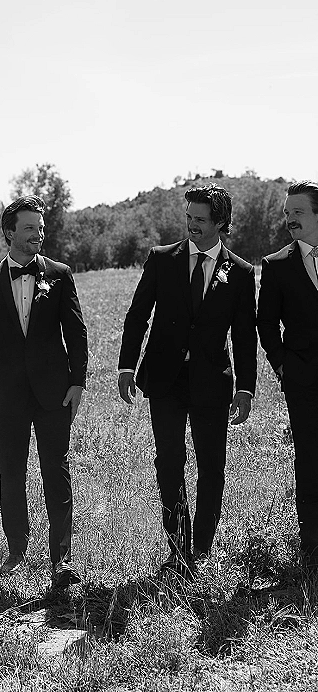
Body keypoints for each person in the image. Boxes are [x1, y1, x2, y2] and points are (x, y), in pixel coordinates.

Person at [117, 184, 257, 576]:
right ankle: (177, 549)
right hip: (165, 380)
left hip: (213, 383)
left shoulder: (242, 273)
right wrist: (127, 366)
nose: (191, 225)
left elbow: (246, 336)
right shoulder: (162, 259)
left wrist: (246, 386)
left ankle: (202, 548)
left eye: (200, 219)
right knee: (170, 463)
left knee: (212, 465)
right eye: (188, 217)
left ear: (220, 223)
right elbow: (137, 314)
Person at [0, 196, 88, 587]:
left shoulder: (59, 274)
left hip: (54, 392)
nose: (38, 234)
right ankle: (16, 550)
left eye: (41, 228)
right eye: (29, 228)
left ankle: (62, 556)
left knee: (56, 470)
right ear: (9, 232)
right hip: (7, 394)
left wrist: (78, 381)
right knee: (11, 471)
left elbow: (75, 330)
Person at [257, 180, 318, 567]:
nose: (289, 218)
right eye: (286, 211)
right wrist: (284, 369)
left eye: (297, 211)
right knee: (310, 459)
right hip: (303, 380)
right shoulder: (276, 265)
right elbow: (266, 326)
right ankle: (312, 548)